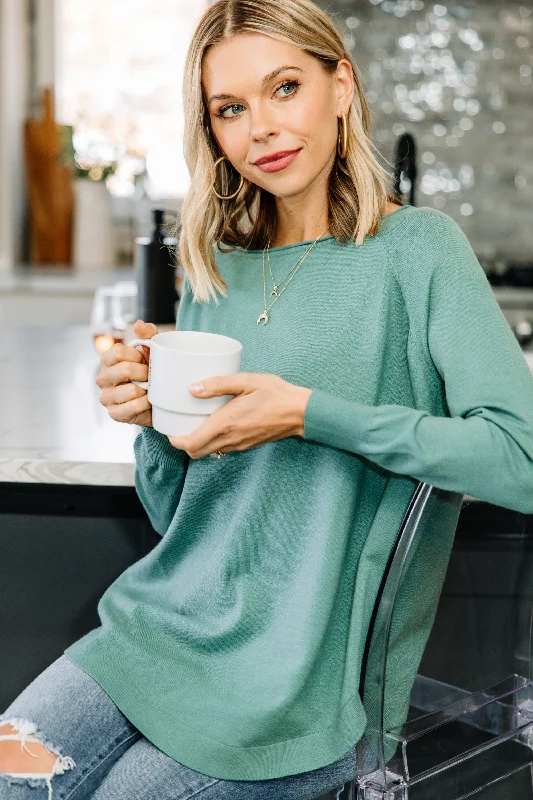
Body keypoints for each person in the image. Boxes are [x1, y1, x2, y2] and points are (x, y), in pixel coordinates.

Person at [2, 0, 533, 797]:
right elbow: (179, 518)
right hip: (158, 632)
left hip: (303, 686)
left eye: (284, 87)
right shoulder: (215, 263)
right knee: (13, 773)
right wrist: (152, 422)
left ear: (340, 86)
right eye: (230, 108)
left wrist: (306, 412)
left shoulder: (417, 251)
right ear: (211, 128)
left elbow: (520, 459)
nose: (262, 128)